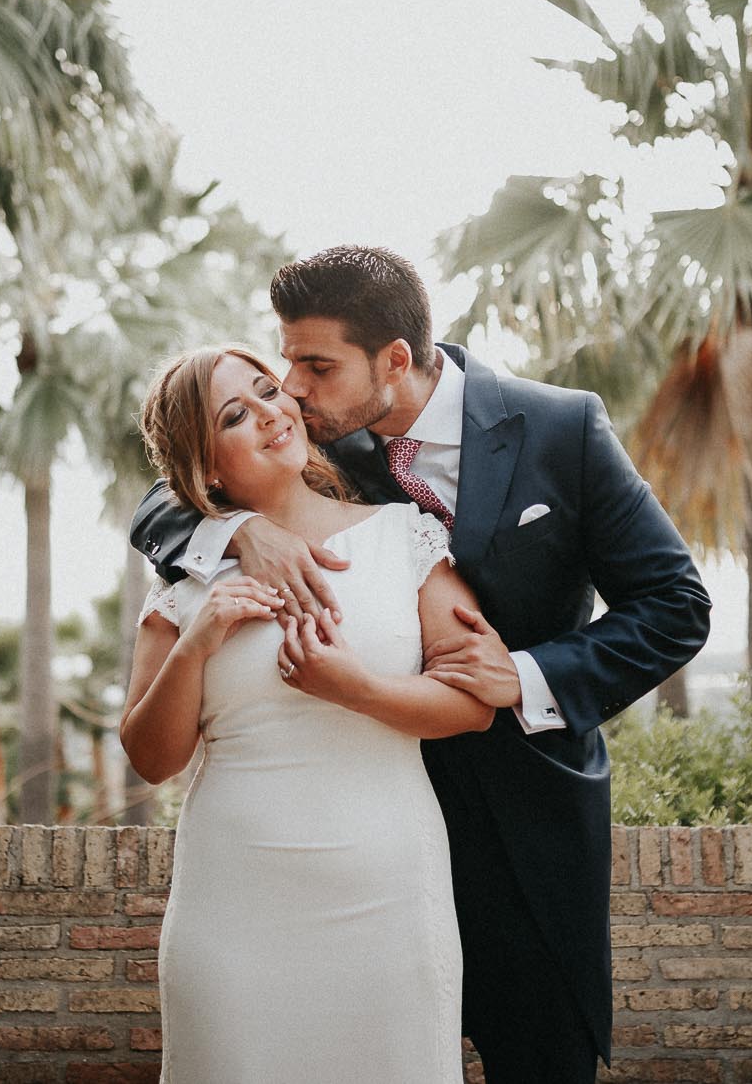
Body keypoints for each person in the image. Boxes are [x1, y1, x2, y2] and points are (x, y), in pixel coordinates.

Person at [131, 246, 712, 1084]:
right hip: (344, 816)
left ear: (393, 362)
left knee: (538, 1059)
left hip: (521, 813)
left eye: (313, 366)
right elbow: (173, 481)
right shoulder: (330, 441)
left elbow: (675, 604)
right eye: (284, 361)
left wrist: (524, 675)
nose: (290, 388)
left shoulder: (563, 429)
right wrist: (231, 533)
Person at [120, 344, 498, 1084]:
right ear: (206, 469)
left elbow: (475, 704)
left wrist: (350, 686)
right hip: (232, 909)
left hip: (388, 897)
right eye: (235, 414)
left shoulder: (404, 535)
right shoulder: (185, 580)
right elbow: (150, 756)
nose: (269, 412)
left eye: (268, 390)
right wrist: (196, 643)